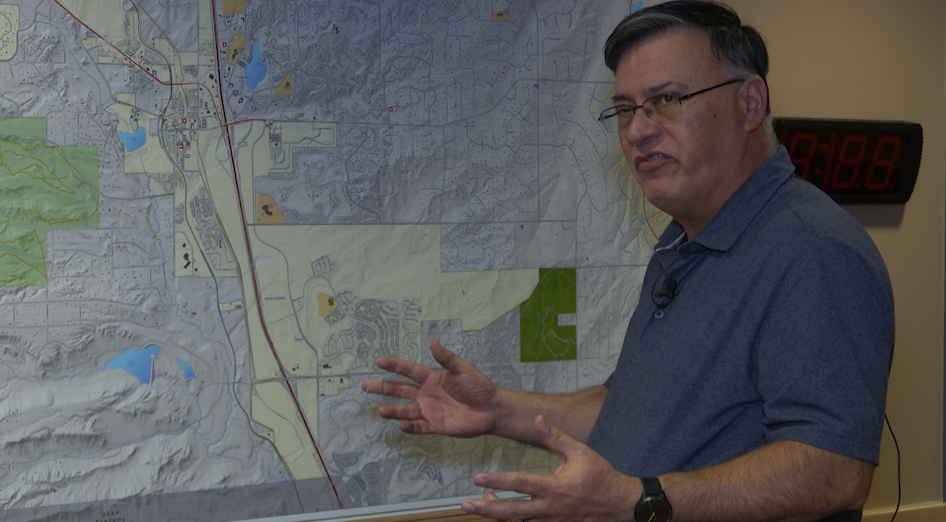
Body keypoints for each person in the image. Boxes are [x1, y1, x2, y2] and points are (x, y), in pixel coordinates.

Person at [362, 2, 894, 521]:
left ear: (750, 104)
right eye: (625, 109)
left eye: (666, 99)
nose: (637, 130)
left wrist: (637, 501)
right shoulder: (681, 243)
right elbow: (626, 408)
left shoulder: (813, 249)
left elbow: (835, 470)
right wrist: (498, 409)